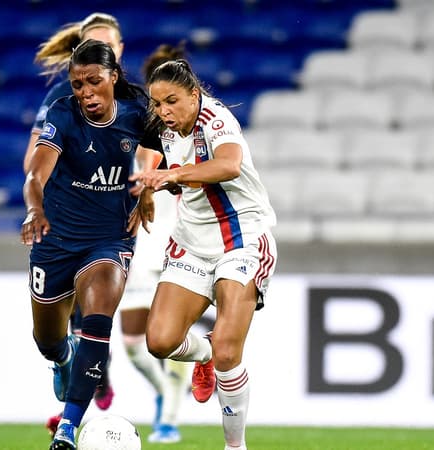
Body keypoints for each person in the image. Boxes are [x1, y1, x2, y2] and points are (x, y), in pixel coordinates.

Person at [131, 59, 278, 450]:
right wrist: (147, 189)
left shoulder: (216, 118)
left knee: (231, 349)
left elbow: (229, 165)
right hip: (192, 243)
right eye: (157, 104)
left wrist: (173, 176)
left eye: (172, 101)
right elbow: (149, 159)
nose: (164, 111)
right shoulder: (161, 128)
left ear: (195, 94)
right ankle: (204, 355)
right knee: (160, 341)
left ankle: (235, 446)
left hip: (241, 238)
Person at [21, 39, 159, 450]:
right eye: (78, 84)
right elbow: (35, 175)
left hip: (109, 240)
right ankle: (62, 360)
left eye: (94, 82)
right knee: (47, 339)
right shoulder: (63, 114)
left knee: (97, 326)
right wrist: (34, 209)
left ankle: (67, 429)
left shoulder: (137, 112)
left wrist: (148, 188)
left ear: (113, 78)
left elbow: (156, 152)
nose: (85, 93)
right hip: (56, 239)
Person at [26, 13, 123, 426]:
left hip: (112, 228)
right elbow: (32, 163)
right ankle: (68, 362)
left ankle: (71, 418)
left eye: (108, 44)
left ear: (119, 53)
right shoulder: (60, 103)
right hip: (62, 226)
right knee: (51, 334)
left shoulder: (134, 100)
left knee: (96, 315)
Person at [116, 42, 194, 445]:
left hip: (179, 241)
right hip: (140, 244)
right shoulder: (137, 130)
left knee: (174, 335)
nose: (161, 106)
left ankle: (170, 416)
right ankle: (165, 392)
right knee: (132, 342)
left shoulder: (194, 131)